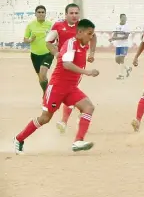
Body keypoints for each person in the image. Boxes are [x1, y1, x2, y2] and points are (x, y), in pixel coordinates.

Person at [13, 19, 99, 155]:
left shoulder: (84, 45)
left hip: (71, 88)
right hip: (57, 87)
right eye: (89, 34)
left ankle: (78, 141)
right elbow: (67, 64)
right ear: (80, 32)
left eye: (92, 34)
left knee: (88, 107)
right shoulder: (71, 44)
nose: (91, 37)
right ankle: (19, 139)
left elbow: (94, 39)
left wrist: (92, 53)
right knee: (45, 118)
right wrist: (87, 72)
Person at [45, 3, 97, 134]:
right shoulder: (58, 26)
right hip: (64, 64)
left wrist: (91, 53)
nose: (74, 15)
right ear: (66, 14)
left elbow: (94, 36)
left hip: (77, 65)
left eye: (76, 13)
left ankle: (64, 121)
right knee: (65, 90)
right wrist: (56, 53)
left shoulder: (82, 26)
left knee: (71, 89)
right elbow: (48, 41)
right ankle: (70, 117)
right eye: (71, 13)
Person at [24, 5, 53, 95]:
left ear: (45, 14)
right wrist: (30, 40)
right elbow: (25, 39)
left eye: (42, 12)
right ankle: (46, 92)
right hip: (35, 54)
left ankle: (47, 95)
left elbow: (56, 37)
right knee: (41, 77)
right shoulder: (30, 25)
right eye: (39, 12)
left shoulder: (50, 25)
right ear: (35, 14)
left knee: (43, 73)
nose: (41, 14)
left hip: (48, 53)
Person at [109, 13, 132, 80]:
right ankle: (127, 68)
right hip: (118, 45)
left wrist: (115, 38)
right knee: (117, 60)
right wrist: (112, 38)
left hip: (124, 45)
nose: (125, 19)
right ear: (120, 18)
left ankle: (121, 75)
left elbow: (126, 37)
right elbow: (115, 34)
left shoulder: (127, 26)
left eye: (125, 18)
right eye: (123, 18)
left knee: (121, 59)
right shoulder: (117, 25)